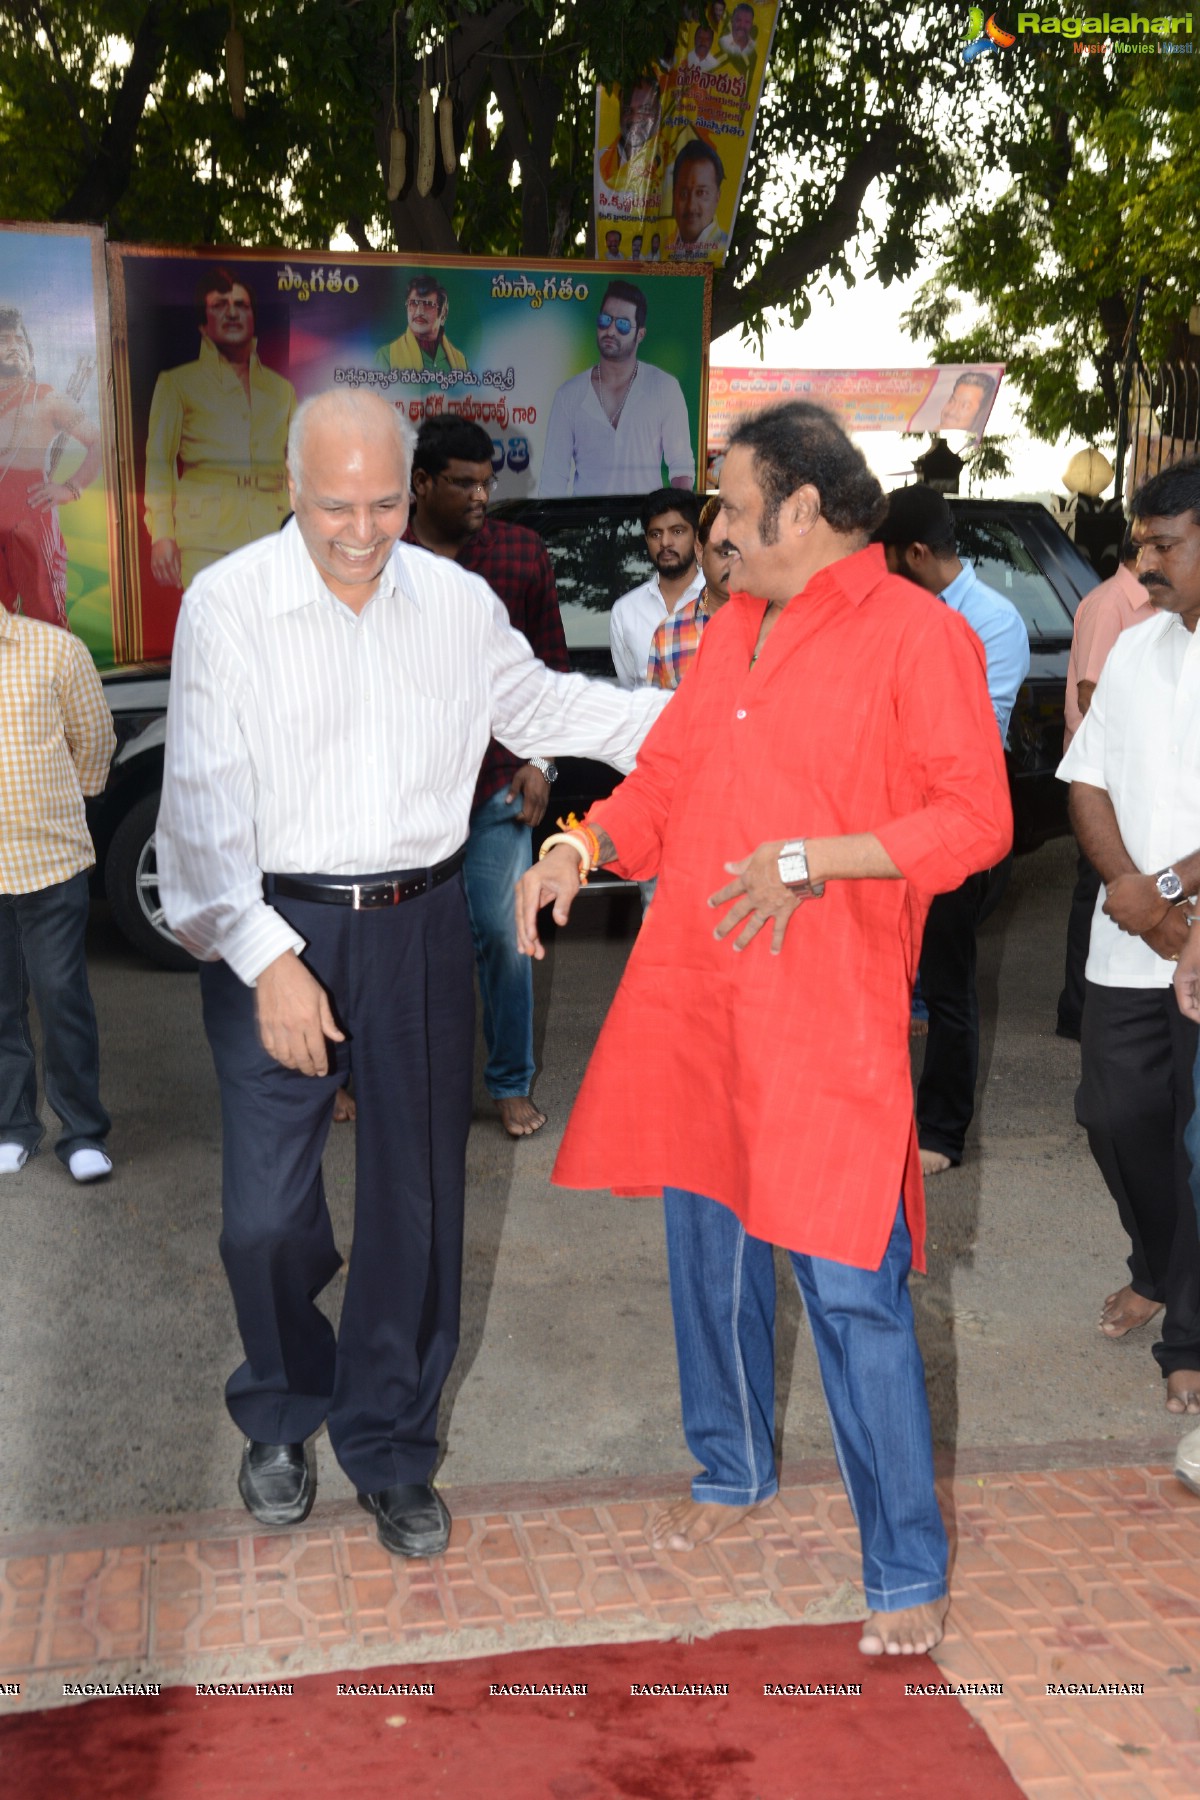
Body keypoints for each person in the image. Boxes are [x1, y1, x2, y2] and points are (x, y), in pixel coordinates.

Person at [517, 401, 1011, 1658]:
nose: (716, 533)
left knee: (852, 1290)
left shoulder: (921, 636)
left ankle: (905, 1566)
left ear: (800, 508)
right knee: (710, 1252)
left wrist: (814, 859)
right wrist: (582, 845)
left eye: (732, 508)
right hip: (698, 993)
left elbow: (976, 823)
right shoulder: (735, 626)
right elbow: (671, 781)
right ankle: (730, 1469)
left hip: (826, 1014)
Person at [156, 389, 667, 1559]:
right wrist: (264, 958)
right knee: (265, 1222)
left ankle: (391, 1444)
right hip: (273, 923)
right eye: (336, 502)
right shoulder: (230, 607)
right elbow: (196, 814)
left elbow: (542, 704)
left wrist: (698, 726)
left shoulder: (456, 600)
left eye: (384, 500)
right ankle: (285, 1403)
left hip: (424, 921)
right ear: (292, 487)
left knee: (419, 1207)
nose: (361, 527)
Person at [1059, 458, 1200, 1417]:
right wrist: (1128, 888)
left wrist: (1165, 898)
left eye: (1165, 545)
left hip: (1187, 939)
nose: (1143, 561)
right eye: (1141, 543)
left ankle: (1186, 1334)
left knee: (1199, 1144)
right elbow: (1086, 778)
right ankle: (1158, 1264)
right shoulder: (1143, 648)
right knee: (1112, 1117)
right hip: (1132, 940)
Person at [405, 414, 569, 1139]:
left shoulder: (519, 554)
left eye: (486, 481)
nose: (479, 495)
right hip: (402, 796)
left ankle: (508, 1082)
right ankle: (374, 1076)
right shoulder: (380, 559)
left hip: (499, 787)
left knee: (507, 936)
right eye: (463, 482)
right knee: (398, 945)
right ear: (421, 483)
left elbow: (552, 672)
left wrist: (543, 762)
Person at [874, 485, 1029, 1175]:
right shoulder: (893, 613)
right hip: (888, 821)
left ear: (913, 552)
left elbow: (966, 738)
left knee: (947, 985)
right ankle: (879, 1117)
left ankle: (941, 1133)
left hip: (954, 828)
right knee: (880, 977)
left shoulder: (993, 622)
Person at [0, 608, 115, 1182]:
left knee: (61, 997)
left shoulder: (55, 650)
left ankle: (83, 1133)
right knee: (0, 1006)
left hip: (48, 862)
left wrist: (64, 807)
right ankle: (12, 1126)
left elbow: (94, 741)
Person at [1056, 529, 1154, 1043]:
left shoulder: (1154, 607)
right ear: (1142, 550)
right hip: (1101, 779)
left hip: (1126, 777)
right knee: (1094, 892)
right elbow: (1092, 695)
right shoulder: (1112, 603)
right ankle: (1077, 1009)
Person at [145, 268, 296, 591]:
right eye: (220, 305)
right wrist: (162, 533)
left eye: (241, 305)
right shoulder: (177, 383)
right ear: (203, 323)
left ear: (253, 316)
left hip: (272, 531)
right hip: (204, 537)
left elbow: (297, 465)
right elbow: (159, 462)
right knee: (212, 634)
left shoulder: (281, 389)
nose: (232, 312)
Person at [538, 283, 695, 497]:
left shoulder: (664, 387)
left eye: (622, 324)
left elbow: (681, 466)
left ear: (640, 334)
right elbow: (553, 477)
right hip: (585, 524)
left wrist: (678, 518)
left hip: (646, 524)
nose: (610, 331)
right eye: (605, 320)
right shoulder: (569, 394)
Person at [0, 304, 102, 628]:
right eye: (4, 339)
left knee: (46, 616)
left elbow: (99, 443)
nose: (14, 345)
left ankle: (57, 678)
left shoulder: (46, 398)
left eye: (19, 340)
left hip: (31, 517)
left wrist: (70, 489)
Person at [610, 487, 705, 691]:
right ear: (646, 540)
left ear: (697, 537)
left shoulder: (720, 598)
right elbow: (630, 689)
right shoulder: (625, 611)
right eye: (655, 534)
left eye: (677, 531)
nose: (665, 542)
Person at [646, 494, 734, 689]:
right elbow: (658, 715)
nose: (734, 564)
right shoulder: (668, 634)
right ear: (700, 551)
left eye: (743, 552)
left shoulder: (778, 624)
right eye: (725, 553)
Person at [376, 276, 468, 374]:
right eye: (414, 303)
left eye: (428, 304)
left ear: (443, 314)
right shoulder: (386, 356)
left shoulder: (460, 361)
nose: (419, 312)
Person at [596, 74, 664, 205]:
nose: (634, 118)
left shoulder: (669, 164)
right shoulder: (602, 161)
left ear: (658, 111)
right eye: (627, 110)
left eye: (644, 109)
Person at [666, 140, 728, 260]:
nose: (691, 206)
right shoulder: (660, 250)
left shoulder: (726, 249)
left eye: (701, 193)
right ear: (674, 196)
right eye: (683, 193)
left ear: (717, 197)